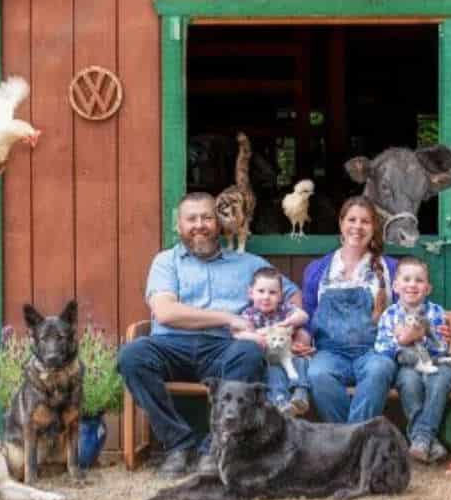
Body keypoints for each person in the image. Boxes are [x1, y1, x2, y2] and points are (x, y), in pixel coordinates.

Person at [117, 192, 301, 478]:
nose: (199, 224)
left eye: (207, 217)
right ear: (178, 226)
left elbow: (292, 294)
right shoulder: (166, 262)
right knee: (132, 356)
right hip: (171, 344)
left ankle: (212, 449)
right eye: (191, 219)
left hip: (225, 348)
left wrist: (293, 329)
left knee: (250, 353)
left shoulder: (248, 264)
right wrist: (229, 318)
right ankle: (178, 444)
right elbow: (166, 312)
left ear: (219, 223)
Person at [301, 196, 399, 424]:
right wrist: (302, 340)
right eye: (352, 220)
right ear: (341, 224)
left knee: (380, 369)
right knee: (317, 374)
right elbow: (307, 315)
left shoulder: (391, 268)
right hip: (330, 353)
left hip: (374, 351)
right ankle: (356, 440)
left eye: (365, 222)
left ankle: (346, 443)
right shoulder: (317, 269)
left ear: (374, 227)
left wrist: (428, 327)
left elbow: (411, 309)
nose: (357, 227)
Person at [374, 256, 451, 464]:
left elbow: (442, 346)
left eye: (419, 280)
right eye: (407, 279)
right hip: (407, 366)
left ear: (428, 288)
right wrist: (402, 340)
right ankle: (431, 441)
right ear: (395, 286)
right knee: (409, 383)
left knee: (439, 381)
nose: (412, 284)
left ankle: (421, 438)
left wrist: (420, 336)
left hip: (437, 363)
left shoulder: (436, 311)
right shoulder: (389, 314)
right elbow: (381, 347)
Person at [233, 266, 312, 417]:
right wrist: (256, 335)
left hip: (289, 354)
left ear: (281, 295)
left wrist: (289, 322)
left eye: (272, 292)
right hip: (270, 359)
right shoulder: (249, 314)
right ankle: (280, 401)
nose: (266, 297)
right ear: (251, 293)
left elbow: (303, 316)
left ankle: (300, 393)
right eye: (261, 291)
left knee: (301, 362)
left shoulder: (283, 309)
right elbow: (237, 333)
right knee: (273, 373)